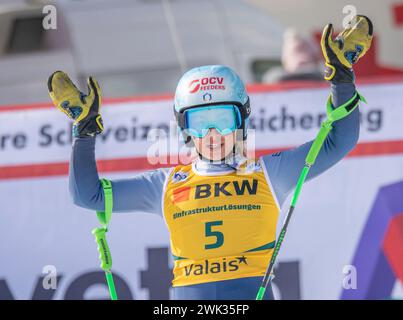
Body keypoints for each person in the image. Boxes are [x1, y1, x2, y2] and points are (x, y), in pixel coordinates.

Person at [47, 16, 373, 300]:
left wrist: (342, 78)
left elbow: (339, 141)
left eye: (224, 120)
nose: (213, 135)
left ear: (242, 120)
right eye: (200, 123)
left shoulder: (270, 173)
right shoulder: (165, 185)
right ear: (184, 128)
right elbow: (87, 195)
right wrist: (84, 131)